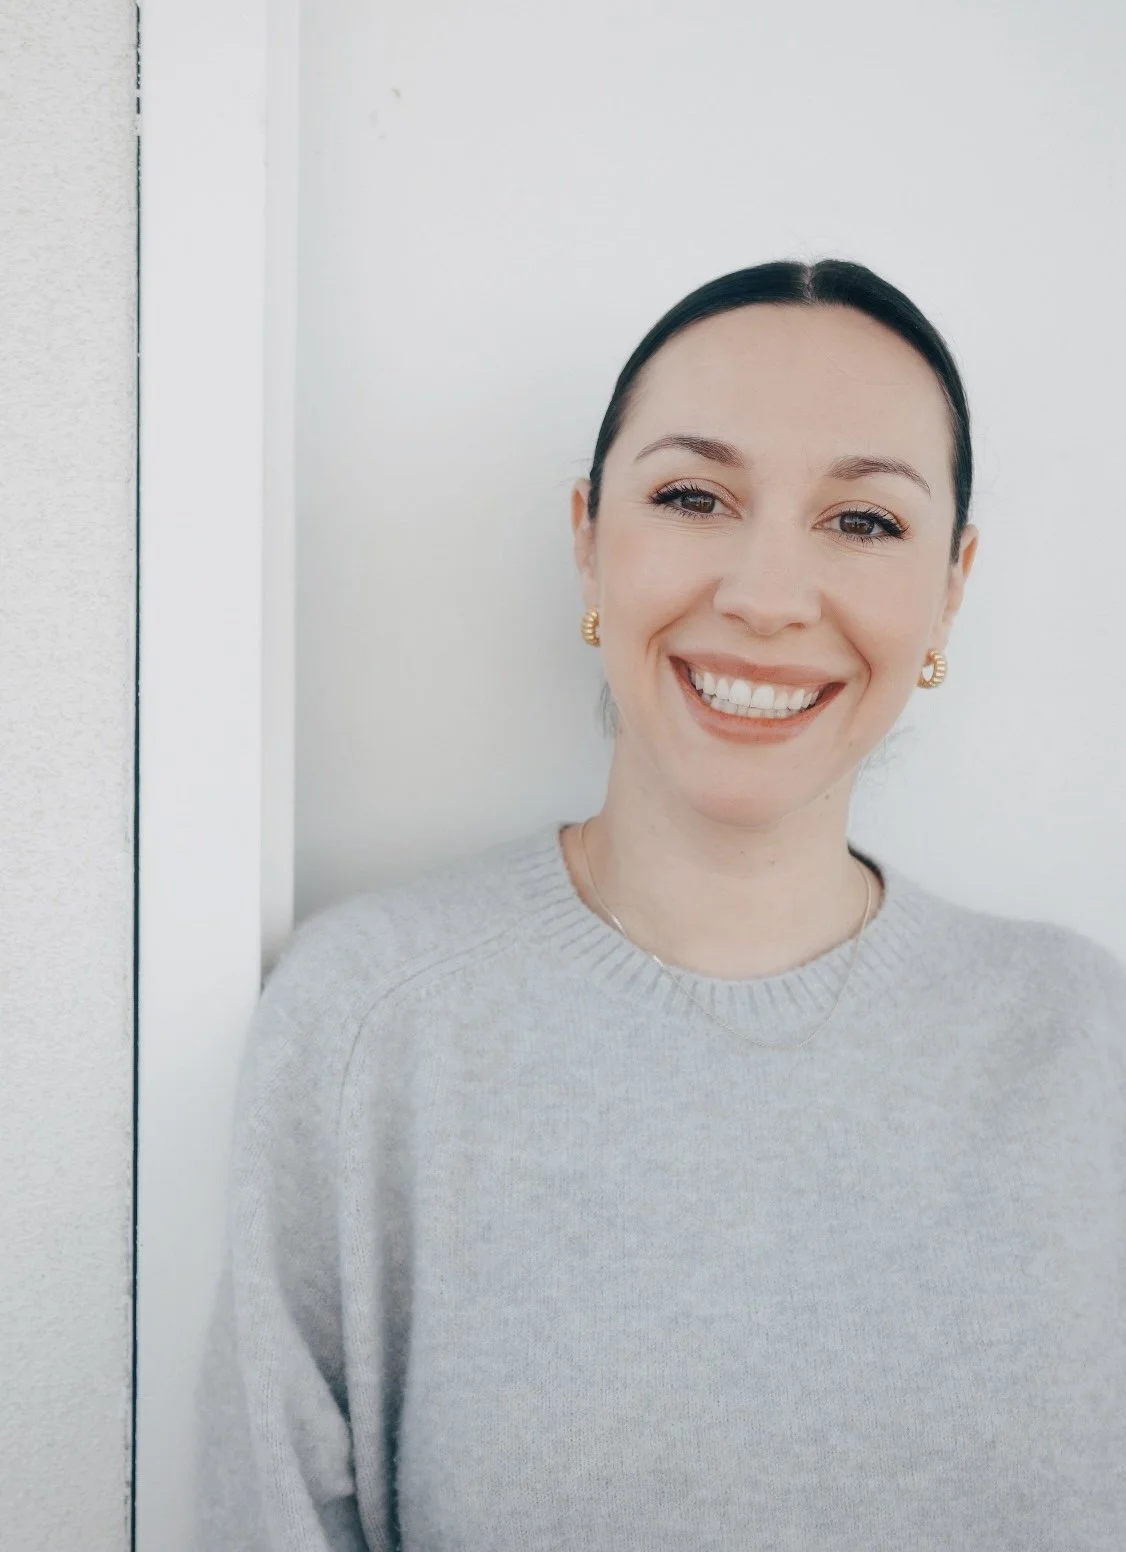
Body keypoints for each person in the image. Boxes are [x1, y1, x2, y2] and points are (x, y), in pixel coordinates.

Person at [195, 260, 1126, 1550]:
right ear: (587, 536)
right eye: (693, 496)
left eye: (863, 522)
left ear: (953, 584)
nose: (764, 594)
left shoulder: (1088, 1045)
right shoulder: (368, 1030)